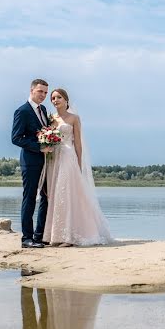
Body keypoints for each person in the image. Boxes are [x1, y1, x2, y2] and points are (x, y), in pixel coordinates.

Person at [43, 88, 113, 247]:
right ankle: (55, 235)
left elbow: (79, 144)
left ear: (66, 100)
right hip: (54, 159)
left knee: (66, 194)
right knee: (55, 195)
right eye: (53, 98)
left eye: (59, 97)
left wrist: (79, 164)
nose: (55, 100)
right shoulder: (51, 119)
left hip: (68, 157)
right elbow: (47, 139)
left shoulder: (74, 118)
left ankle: (68, 237)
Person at [11, 78, 52, 249]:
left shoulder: (43, 109)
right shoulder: (22, 111)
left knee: (46, 197)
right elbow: (16, 138)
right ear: (31, 90)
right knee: (29, 198)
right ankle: (26, 238)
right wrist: (39, 147)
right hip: (30, 161)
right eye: (40, 91)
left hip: (47, 162)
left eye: (45, 92)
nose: (42, 95)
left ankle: (39, 235)